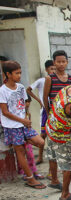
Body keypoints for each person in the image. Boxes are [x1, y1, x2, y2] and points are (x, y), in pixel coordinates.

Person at [0, 61, 46, 189]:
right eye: (16, 73)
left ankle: (24, 142)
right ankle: (30, 179)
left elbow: (24, 104)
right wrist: (22, 121)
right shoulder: (2, 91)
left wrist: (26, 118)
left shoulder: (20, 87)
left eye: (20, 72)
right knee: (20, 152)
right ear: (8, 74)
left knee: (40, 142)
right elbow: (5, 112)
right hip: (12, 126)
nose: (19, 75)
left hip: (24, 124)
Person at [43, 50, 71, 184]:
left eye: (63, 61)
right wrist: (48, 114)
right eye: (58, 61)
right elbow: (46, 98)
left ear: (67, 62)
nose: (61, 64)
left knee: (67, 146)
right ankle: (54, 177)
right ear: (54, 62)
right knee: (53, 149)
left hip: (67, 120)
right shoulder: (49, 78)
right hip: (54, 120)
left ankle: (66, 172)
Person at [26, 60, 56, 165]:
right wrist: (39, 100)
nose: (53, 71)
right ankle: (40, 157)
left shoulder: (57, 80)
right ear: (47, 69)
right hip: (45, 110)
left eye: (54, 69)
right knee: (43, 134)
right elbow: (28, 90)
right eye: (51, 69)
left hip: (55, 110)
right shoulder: (41, 81)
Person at [16, 95, 44, 180]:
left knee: (30, 155)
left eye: (28, 102)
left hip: (27, 136)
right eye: (25, 102)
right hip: (19, 135)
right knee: (20, 155)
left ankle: (34, 171)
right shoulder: (18, 113)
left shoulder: (28, 113)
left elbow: (29, 126)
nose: (27, 104)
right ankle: (24, 173)